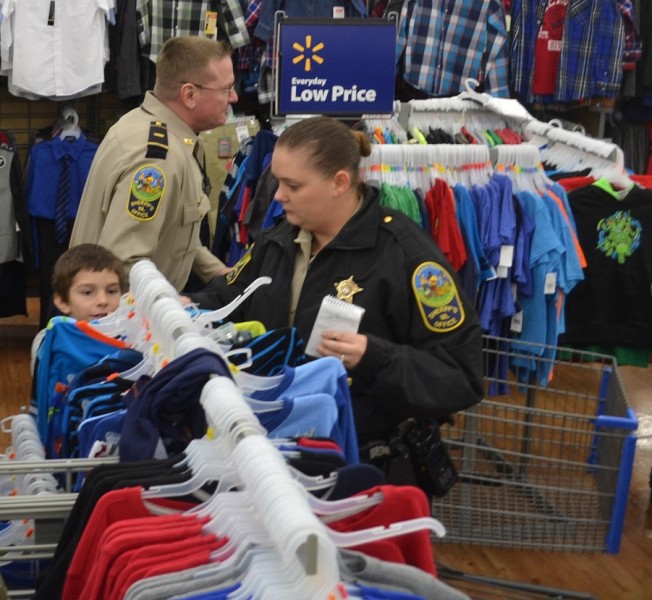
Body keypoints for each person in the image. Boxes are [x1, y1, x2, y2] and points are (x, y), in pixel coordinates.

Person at [188, 116, 485, 474]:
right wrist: (189, 305)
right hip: (274, 451)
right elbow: (236, 294)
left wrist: (373, 356)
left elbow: (460, 375)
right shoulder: (280, 238)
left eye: (292, 185)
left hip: (363, 466)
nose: (278, 196)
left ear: (339, 183)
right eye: (278, 182)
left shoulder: (405, 255)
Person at [70, 36, 236, 292]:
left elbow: (173, 231)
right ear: (189, 94)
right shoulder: (158, 159)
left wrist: (217, 272)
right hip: (123, 313)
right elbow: (125, 263)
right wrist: (170, 307)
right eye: (226, 89)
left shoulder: (144, 124)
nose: (234, 97)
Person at [31, 243, 126, 373]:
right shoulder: (49, 341)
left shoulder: (133, 338)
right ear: (63, 301)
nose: (103, 301)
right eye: (87, 292)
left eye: (112, 291)